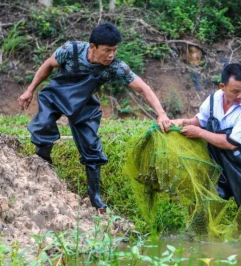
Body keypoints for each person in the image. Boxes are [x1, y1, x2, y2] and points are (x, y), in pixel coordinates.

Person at [17, 23, 170, 211]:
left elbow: (143, 88)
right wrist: (29, 90)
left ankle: (95, 197)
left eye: (114, 50)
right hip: (56, 94)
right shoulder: (70, 50)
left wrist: (161, 113)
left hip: (84, 103)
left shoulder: (115, 67)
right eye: (106, 50)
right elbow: (48, 64)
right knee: (43, 127)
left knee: (91, 147)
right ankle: (43, 167)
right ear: (92, 47)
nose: (111, 55)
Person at [170, 63, 241, 206]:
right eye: (235, 91)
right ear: (222, 87)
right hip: (218, 164)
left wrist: (200, 133)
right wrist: (183, 122)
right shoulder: (214, 99)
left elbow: (230, 143)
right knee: (208, 202)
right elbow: (201, 120)